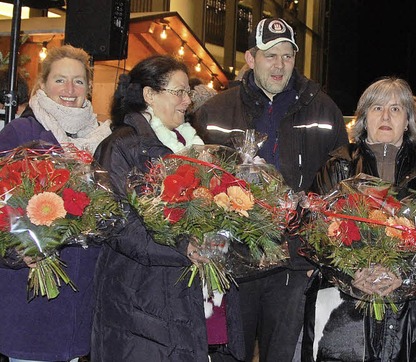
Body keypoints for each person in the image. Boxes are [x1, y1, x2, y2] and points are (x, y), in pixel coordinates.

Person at [193, 17, 349, 361]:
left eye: (287, 56)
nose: (280, 65)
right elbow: (196, 182)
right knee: (229, 351)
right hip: (234, 261)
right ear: (250, 58)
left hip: (294, 264)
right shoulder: (215, 110)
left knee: (284, 354)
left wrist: (317, 252)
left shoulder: (324, 110)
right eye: (270, 55)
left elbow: (338, 188)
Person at [302, 77, 416, 361]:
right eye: (377, 108)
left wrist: (404, 275)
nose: (386, 116)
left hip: (411, 314)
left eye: (396, 109)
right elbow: (313, 229)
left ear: (408, 120)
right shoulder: (338, 166)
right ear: (363, 118)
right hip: (343, 310)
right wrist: (352, 274)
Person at [91, 55, 209, 361]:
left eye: (188, 94)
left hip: (182, 296)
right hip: (137, 300)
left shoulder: (191, 147)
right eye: (179, 92)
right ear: (149, 95)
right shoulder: (120, 146)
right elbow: (116, 224)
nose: (187, 101)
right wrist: (183, 248)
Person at [0, 45, 111, 362]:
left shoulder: (102, 138)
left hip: (82, 297)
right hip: (31, 297)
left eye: (78, 81)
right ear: (42, 84)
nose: (70, 89)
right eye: (60, 80)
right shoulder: (21, 133)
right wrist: (16, 250)